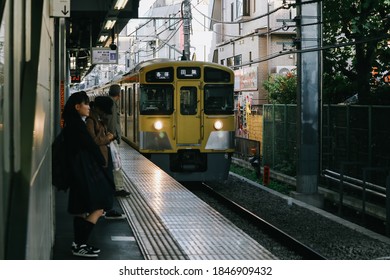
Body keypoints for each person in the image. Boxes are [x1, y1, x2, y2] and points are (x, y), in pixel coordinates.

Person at [62, 91, 115, 257]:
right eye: (86, 104)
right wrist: (101, 161)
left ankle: (79, 244)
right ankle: (79, 244)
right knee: (99, 207)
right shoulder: (78, 126)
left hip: (78, 172)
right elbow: (91, 146)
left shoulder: (72, 123)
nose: (88, 106)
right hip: (85, 172)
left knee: (81, 209)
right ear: (77, 107)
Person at [88, 97, 126, 220]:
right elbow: (93, 141)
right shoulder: (90, 120)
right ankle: (104, 209)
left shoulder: (97, 118)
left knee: (106, 184)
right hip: (98, 157)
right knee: (105, 184)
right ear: (98, 108)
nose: (105, 113)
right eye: (104, 111)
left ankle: (104, 209)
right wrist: (108, 138)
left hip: (103, 156)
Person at [106, 84, 131, 198]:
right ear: (119, 95)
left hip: (110, 139)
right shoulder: (112, 104)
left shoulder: (110, 102)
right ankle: (119, 188)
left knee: (114, 164)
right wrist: (113, 136)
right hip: (111, 139)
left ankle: (116, 186)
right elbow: (112, 122)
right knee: (117, 164)